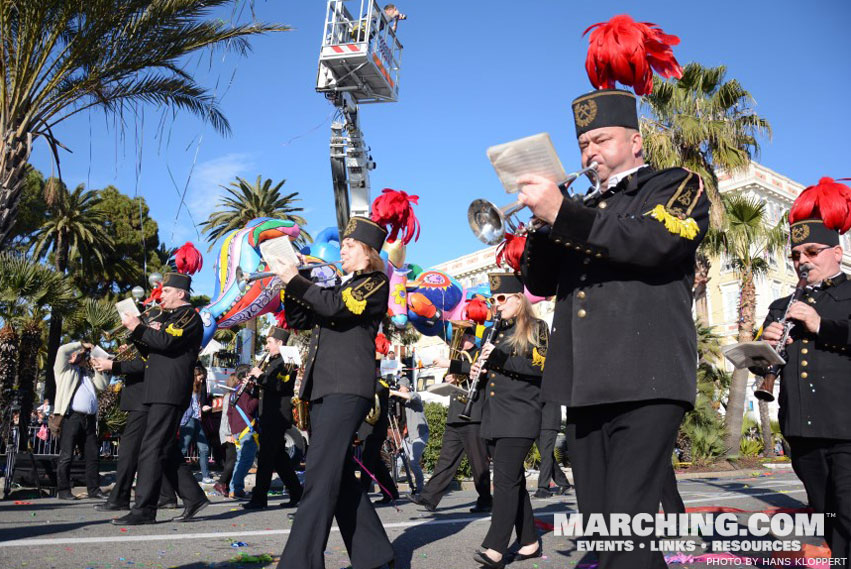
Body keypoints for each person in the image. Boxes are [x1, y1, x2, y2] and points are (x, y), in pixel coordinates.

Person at [518, 83, 709, 567]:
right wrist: (542, 226)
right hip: (585, 385)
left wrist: (565, 213)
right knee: (610, 536)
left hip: (647, 377)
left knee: (626, 521)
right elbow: (539, 284)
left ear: (635, 141)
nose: (590, 152)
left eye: (601, 139)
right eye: (584, 143)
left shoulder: (673, 184)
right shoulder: (580, 210)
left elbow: (653, 243)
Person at [273, 215, 395, 569]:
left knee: (320, 476)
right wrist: (297, 280)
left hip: (347, 387)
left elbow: (333, 308)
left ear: (368, 252)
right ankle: (376, 556)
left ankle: (300, 562)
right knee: (337, 476)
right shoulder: (343, 284)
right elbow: (300, 320)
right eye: (341, 244)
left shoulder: (374, 282)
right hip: (325, 389)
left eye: (349, 245)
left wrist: (296, 281)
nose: (342, 249)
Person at [756, 177, 851, 563]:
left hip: (846, 427)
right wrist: (765, 344)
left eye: (812, 251)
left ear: (837, 252)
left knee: (848, 514)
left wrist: (818, 324)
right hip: (801, 428)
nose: (802, 261)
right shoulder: (782, 304)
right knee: (824, 514)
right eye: (796, 255)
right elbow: (762, 362)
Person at [450, 273, 548, 568]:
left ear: (519, 298)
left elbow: (540, 367)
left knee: (504, 481)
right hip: (495, 416)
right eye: (494, 300)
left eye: (502, 299)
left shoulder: (536, 327)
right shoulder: (495, 331)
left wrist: (498, 361)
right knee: (512, 480)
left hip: (521, 414)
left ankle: (495, 547)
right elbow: (485, 372)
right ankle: (529, 541)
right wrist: (458, 366)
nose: (497, 304)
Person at [111, 271, 208, 525]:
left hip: (169, 389)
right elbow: (153, 347)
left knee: (151, 447)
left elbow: (165, 342)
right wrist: (137, 332)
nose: (161, 295)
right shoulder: (171, 317)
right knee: (163, 447)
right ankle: (193, 496)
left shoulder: (189, 316)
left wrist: (140, 327)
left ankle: (144, 509)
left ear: (180, 293)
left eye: (166, 291)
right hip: (159, 390)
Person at [411, 331, 493, 513]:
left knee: (478, 462)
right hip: (456, 414)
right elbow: (451, 384)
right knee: (445, 460)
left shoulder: (480, 353)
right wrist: (447, 378)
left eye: (462, 338)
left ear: (472, 339)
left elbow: (477, 371)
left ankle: (486, 500)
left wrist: (454, 366)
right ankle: (429, 497)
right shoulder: (456, 358)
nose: (458, 342)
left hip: (474, 415)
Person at [242, 327, 304, 510]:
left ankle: (259, 498)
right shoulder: (272, 361)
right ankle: (297, 492)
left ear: (279, 342)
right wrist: (252, 385)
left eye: (269, 342)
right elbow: (265, 389)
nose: (267, 346)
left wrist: (261, 376)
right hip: (267, 413)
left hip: (277, 415)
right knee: (279, 459)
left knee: (266, 457)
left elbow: (281, 386)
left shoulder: (289, 360)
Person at [52, 341, 108, 500]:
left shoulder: (87, 374)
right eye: (76, 354)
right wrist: (81, 345)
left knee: (92, 455)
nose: (79, 356)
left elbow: (103, 385)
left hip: (89, 419)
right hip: (72, 417)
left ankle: (94, 490)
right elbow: (62, 350)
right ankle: (63, 490)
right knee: (67, 455)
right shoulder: (63, 371)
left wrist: (98, 366)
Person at [358, 373, 400, 505]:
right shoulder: (370, 383)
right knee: (376, 464)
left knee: (367, 464)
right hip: (368, 430)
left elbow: (377, 389)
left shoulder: (380, 385)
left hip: (373, 430)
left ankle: (361, 496)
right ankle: (391, 493)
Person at [390, 378, 429, 495]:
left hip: (419, 434)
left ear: (407, 387)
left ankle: (420, 489)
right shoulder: (403, 401)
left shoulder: (415, 396)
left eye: (401, 387)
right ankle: (391, 486)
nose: (399, 389)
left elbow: (410, 396)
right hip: (409, 436)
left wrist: (392, 392)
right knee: (398, 459)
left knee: (413, 462)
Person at [228, 364, 259, 499]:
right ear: (246, 375)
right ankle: (237, 489)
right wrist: (258, 397)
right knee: (246, 461)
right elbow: (250, 408)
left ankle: (233, 488)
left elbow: (230, 413)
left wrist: (233, 430)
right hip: (246, 429)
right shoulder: (245, 390)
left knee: (240, 460)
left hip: (238, 430)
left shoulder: (235, 391)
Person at [179, 366, 213, 484]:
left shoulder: (198, 388)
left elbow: (196, 405)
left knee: (204, 448)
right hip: (189, 420)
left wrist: (203, 408)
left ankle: (206, 476)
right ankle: (177, 474)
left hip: (196, 419)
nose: (202, 381)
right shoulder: (187, 387)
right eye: (200, 378)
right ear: (195, 376)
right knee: (183, 448)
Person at [534, 400, 571, 498]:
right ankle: (563, 482)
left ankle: (543, 488)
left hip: (549, 421)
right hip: (537, 422)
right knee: (547, 455)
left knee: (546, 455)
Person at [214, 373, 239, 497]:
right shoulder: (229, 397)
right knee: (232, 460)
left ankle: (226, 485)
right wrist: (229, 433)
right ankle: (221, 483)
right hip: (228, 432)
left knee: (231, 460)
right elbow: (227, 417)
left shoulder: (228, 396)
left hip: (228, 431)